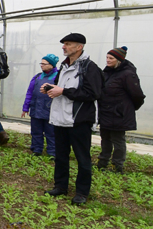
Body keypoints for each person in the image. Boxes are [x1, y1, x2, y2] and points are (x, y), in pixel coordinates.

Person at [42, 33, 103, 205]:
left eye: (68, 44)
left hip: (79, 120)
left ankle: (82, 193)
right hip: (60, 118)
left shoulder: (90, 68)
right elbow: (60, 86)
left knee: (82, 158)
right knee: (61, 156)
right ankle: (60, 186)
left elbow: (94, 93)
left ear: (79, 47)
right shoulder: (64, 66)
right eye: (63, 44)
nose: (63, 47)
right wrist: (49, 87)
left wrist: (63, 91)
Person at [96, 46, 146, 174]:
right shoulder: (106, 72)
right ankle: (102, 162)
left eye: (111, 58)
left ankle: (117, 166)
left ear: (119, 60)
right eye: (107, 57)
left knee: (118, 140)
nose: (107, 60)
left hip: (119, 113)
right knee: (105, 138)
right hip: (106, 112)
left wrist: (127, 108)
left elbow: (137, 95)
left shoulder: (128, 74)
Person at [22, 54, 59, 159]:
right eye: (41, 63)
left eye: (44, 63)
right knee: (36, 130)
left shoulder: (58, 77)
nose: (41, 65)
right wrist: (26, 107)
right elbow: (30, 92)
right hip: (36, 109)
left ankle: (52, 152)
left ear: (51, 65)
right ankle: (36, 149)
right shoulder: (38, 76)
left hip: (50, 110)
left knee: (51, 132)